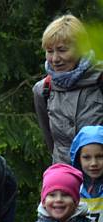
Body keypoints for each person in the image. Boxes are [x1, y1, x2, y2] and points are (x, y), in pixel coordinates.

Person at [33, 14, 103, 165]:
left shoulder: (100, 80)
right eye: (50, 51)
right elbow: (51, 142)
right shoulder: (43, 90)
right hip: (64, 178)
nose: (55, 59)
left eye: (62, 50)